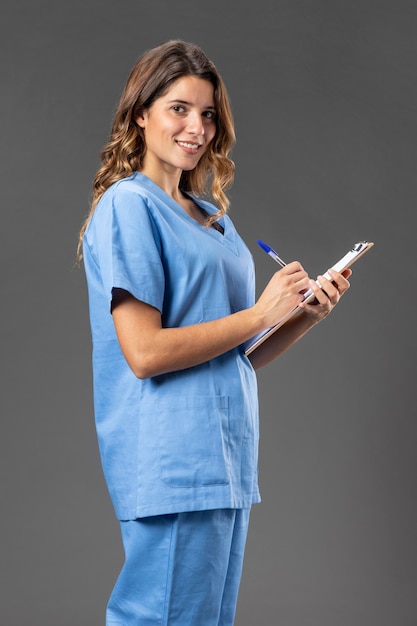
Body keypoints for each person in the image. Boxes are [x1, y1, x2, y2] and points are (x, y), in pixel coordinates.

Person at [78, 39, 351, 626]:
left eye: (207, 114)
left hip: (226, 457)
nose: (196, 127)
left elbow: (238, 355)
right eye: (179, 108)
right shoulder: (129, 207)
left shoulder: (211, 217)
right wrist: (260, 311)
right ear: (140, 113)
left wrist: (301, 313)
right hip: (172, 460)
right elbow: (145, 353)